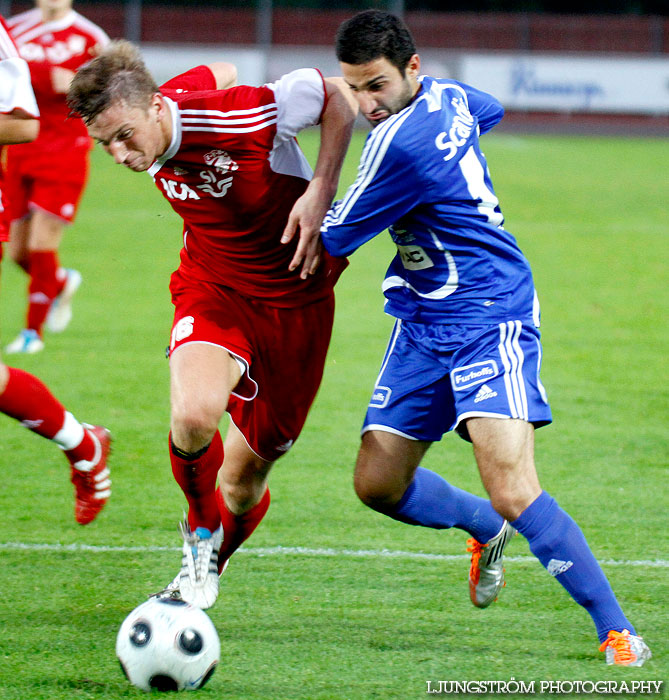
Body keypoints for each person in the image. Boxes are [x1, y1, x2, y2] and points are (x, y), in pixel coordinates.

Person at [320, 9, 651, 667]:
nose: (364, 105)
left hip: (488, 314)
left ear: (410, 69)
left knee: (512, 484)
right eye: (353, 89)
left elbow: (328, 243)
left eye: (375, 86)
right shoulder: (447, 96)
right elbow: (488, 109)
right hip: (421, 320)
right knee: (377, 486)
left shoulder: (397, 145)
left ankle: (616, 630)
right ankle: (481, 527)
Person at [67, 40, 357, 609]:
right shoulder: (159, 109)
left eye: (124, 135)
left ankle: (212, 562)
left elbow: (336, 97)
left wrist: (320, 189)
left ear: (154, 106)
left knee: (244, 485)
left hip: (295, 304)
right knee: (195, 414)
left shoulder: (244, 114)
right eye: (105, 145)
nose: (121, 156)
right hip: (212, 287)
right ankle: (199, 536)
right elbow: (214, 67)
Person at [0, 14, 111, 525]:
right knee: (30, 253)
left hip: (61, 148)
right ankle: (81, 442)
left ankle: (80, 441)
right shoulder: (23, 27)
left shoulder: (83, 35)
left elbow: (21, 120)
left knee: (41, 245)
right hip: (25, 167)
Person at [3, 0, 109, 354]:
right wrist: (45, 79)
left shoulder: (90, 37)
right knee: (18, 252)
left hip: (66, 148)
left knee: (41, 243)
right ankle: (59, 282)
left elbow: (108, 90)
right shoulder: (15, 30)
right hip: (19, 145)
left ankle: (32, 334)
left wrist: (79, 84)